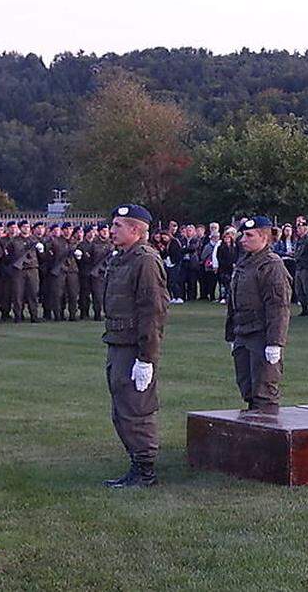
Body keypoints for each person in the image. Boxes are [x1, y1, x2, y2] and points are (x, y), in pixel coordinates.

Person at [101, 204, 169, 488]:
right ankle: (136, 466)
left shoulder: (145, 260)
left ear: (136, 230)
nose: (112, 230)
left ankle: (145, 471)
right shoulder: (123, 258)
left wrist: (146, 358)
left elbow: (152, 311)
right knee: (122, 409)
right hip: (118, 342)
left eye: (118, 225)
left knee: (136, 409)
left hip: (134, 346)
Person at [224, 216, 292, 415]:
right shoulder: (245, 262)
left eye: (248, 235)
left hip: (261, 334)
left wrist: (275, 342)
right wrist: (231, 333)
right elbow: (233, 302)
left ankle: (268, 433)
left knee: (264, 389)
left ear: (263, 237)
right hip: (243, 332)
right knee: (248, 387)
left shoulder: (271, 265)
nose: (242, 239)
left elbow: (278, 307)